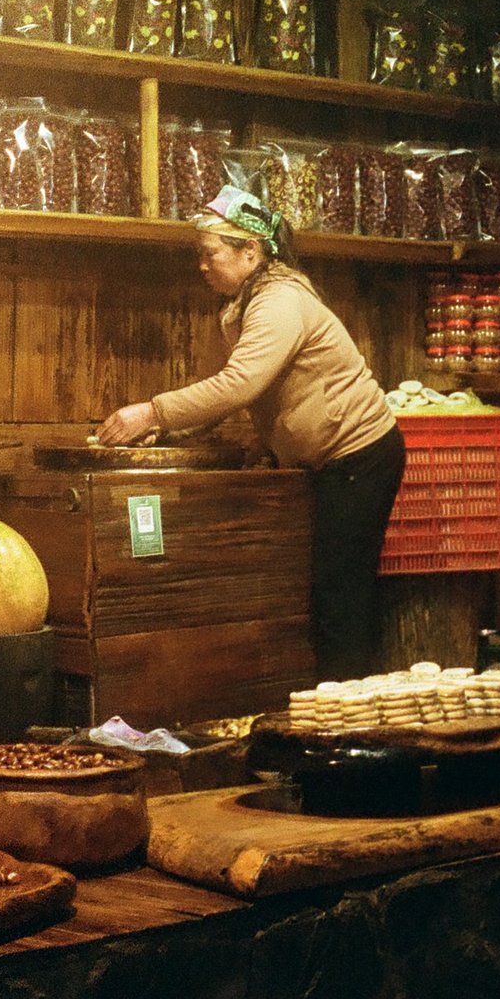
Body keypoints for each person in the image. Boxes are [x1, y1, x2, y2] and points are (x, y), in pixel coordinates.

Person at [97, 185, 404, 680]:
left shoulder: (280, 300)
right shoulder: (242, 305)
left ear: (250, 252)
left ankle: (352, 729)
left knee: (340, 599)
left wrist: (151, 414)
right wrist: (170, 433)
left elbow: (240, 385)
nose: (202, 265)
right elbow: (215, 392)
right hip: (329, 462)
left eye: (210, 254)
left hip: (359, 455)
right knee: (332, 595)